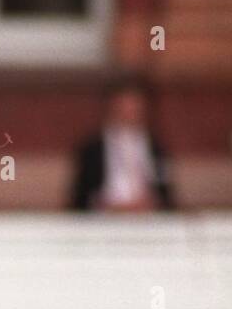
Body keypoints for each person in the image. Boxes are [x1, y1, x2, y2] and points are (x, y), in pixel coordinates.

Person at [69, 79, 174, 212]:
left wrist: (151, 203)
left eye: (135, 105)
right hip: (104, 219)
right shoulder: (92, 149)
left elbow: (165, 191)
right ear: (112, 106)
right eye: (124, 104)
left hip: (147, 218)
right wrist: (105, 205)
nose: (130, 111)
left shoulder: (156, 148)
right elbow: (80, 197)